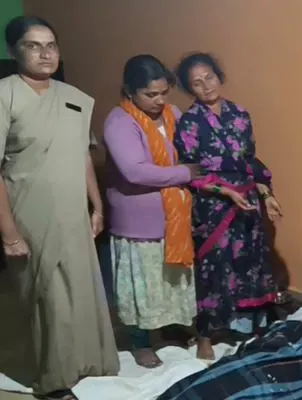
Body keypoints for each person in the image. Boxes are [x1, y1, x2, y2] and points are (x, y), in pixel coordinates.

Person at [0, 16, 118, 400]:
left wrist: (97, 206)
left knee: (79, 290)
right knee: (47, 295)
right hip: (29, 212)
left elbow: (82, 155)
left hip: (73, 211)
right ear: (13, 51)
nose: (45, 53)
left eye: (50, 45)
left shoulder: (75, 98)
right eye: (33, 46)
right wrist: (9, 233)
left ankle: (83, 363)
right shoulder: (5, 96)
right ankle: (52, 380)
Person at [173, 52, 283, 360]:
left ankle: (249, 326)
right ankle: (205, 334)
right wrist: (225, 192)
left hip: (246, 200)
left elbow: (250, 161)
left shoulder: (240, 114)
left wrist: (267, 194)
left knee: (250, 262)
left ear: (219, 76)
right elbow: (191, 171)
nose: (206, 86)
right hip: (213, 205)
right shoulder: (190, 122)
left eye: (209, 77)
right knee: (213, 268)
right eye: (197, 83)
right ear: (189, 89)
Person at [103, 55, 205, 368]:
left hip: (174, 219)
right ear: (130, 91)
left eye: (163, 92)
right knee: (143, 286)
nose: (159, 100)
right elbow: (135, 171)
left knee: (171, 282)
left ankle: (172, 326)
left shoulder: (173, 114)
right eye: (150, 94)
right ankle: (140, 342)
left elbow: (190, 150)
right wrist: (184, 173)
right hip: (138, 223)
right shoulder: (120, 122)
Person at [157, 298, 302, 399]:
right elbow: (257, 342)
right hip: (254, 363)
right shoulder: (286, 325)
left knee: (253, 389)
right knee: (213, 381)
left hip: (281, 377)